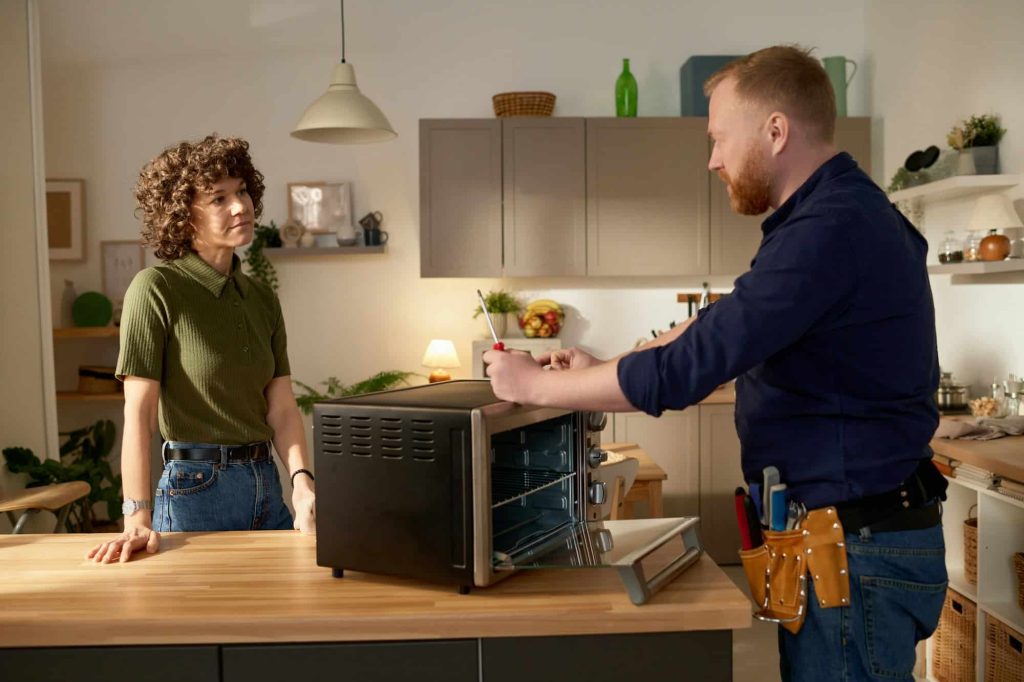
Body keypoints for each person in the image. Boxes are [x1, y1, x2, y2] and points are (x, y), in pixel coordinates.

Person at [484, 46, 947, 681]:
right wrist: (597, 364)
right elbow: (709, 327)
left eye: (719, 138)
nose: (713, 160)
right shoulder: (833, 216)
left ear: (776, 130)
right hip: (852, 541)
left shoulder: (830, 229)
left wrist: (537, 386)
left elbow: (689, 365)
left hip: (854, 552)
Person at [87, 135, 315, 564]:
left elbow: (282, 408)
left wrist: (302, 484)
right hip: (195, 491)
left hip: (267, 484)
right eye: (218, 198)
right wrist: (135, 516)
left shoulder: (262, 297)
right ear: (183, 216)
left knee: (285, 621)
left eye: (242, 190)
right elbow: (139, 414)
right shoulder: (155, 289)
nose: (240, 206)